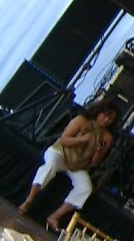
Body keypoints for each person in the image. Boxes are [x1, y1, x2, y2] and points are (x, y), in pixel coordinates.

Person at [18, 96, 120, 229]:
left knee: (85, 188)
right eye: (105, 116)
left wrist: (99, 152)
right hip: (61, 153)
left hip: (77, 166)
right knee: (50, 166)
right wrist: (81, 140)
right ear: (98, 112)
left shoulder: (107, 137)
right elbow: (63, 140)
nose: (106, 120)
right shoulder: (81, 120)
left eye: (110, 119)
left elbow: (95, 164)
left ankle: (55, 216)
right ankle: (29, 200)